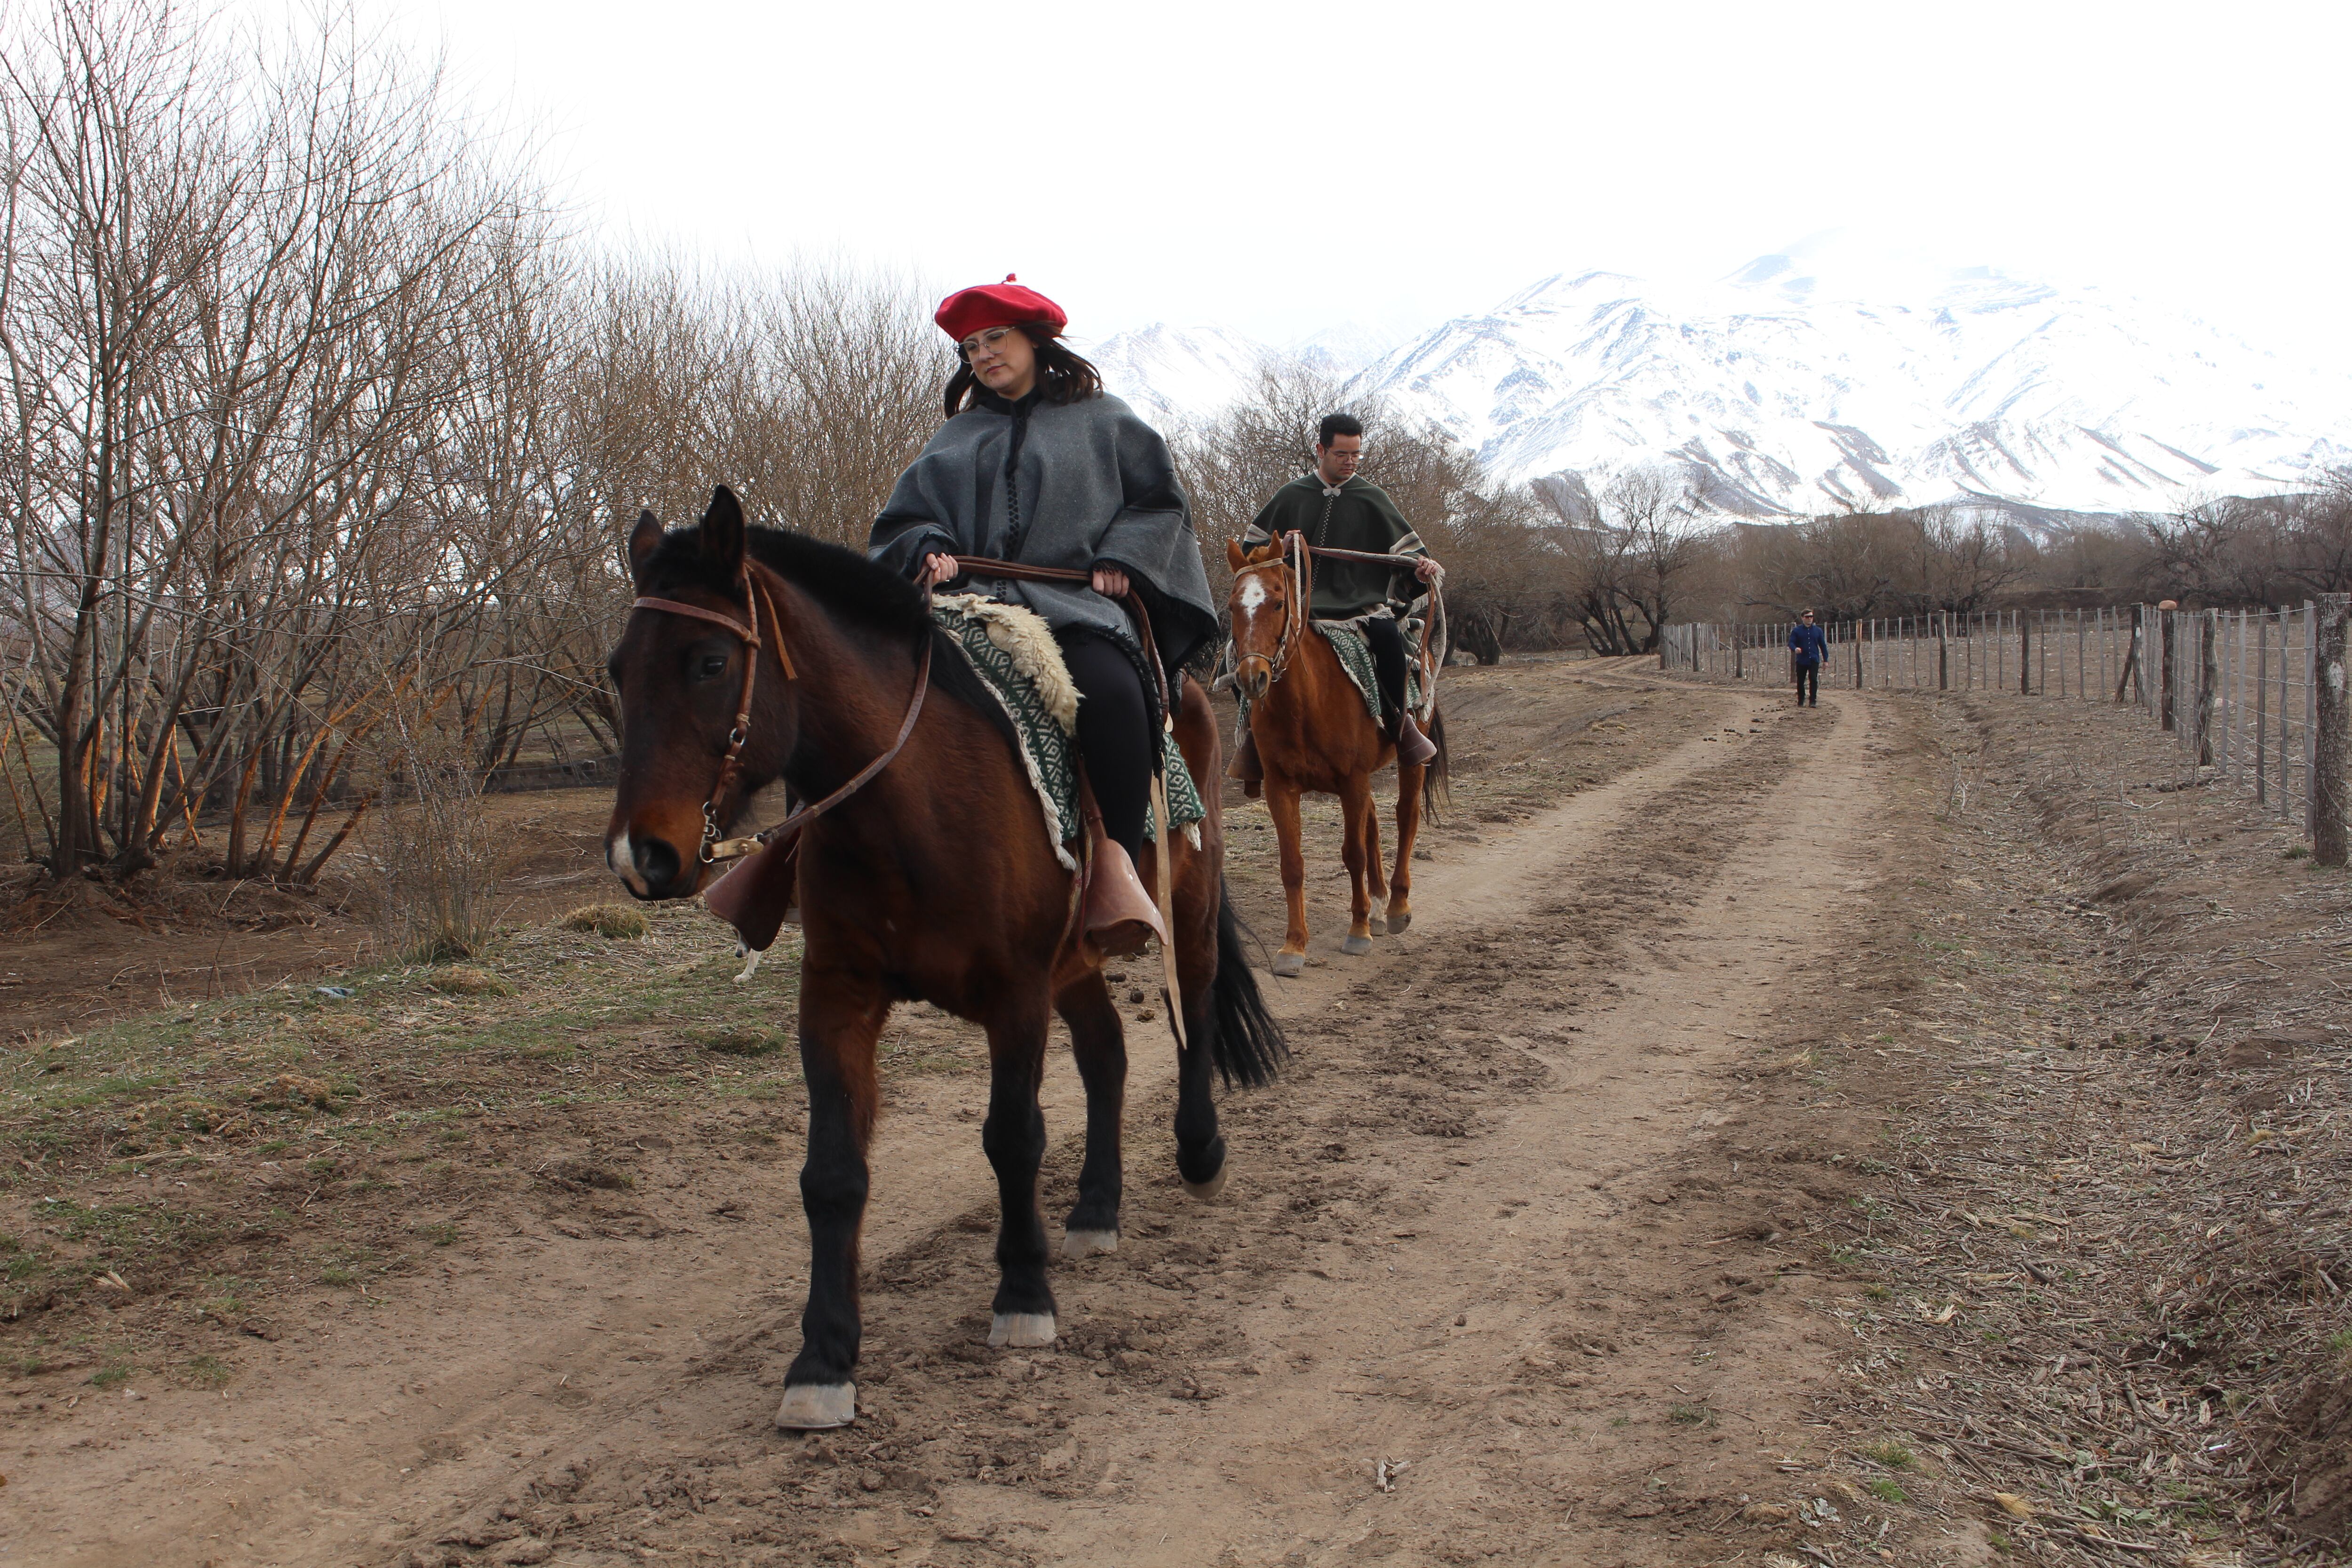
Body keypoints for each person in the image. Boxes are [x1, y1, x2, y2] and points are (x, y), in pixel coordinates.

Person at [869, 276, 1217, 954]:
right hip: (970, 605)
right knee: (861, 682)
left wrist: (1124, 557)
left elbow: (1161, 507)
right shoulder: (957, 436)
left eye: (995, 338)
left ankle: (1115, 872)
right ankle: (809, 860)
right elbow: (904, 519)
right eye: (970, 347)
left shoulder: (1108, 422)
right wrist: (931, 546)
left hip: (1074, 605)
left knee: (1113, 697)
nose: (983, 354)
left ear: (1035, 339)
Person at [1232, 414, 1442, 774]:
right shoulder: (1291, 495)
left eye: (1356, 455)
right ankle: (1254, 734)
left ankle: (1399, 724)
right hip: (1299, 606)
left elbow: (1408, 557)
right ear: (1321, 450)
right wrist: (1280, 550)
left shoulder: (1372, 497)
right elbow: (1251, 556)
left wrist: (1422, 570)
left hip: (1360, 605)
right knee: (1240, 650)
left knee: (1389, 639)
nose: (1350, 462)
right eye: (1341, 454)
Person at [1788, 608, 1828, 707]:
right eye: (1807, 617)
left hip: (1814, 659)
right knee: (1801, 681)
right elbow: (1791, 643)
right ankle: (1801, 700)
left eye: (1811, 617)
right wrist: (1795, 648)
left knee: (1813, 680)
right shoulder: (1797, 631)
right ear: (1803, 618)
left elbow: (1823, 645)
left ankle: (1813, 701)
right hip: (1802, 660)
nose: (1810, 619)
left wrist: (1825, 660)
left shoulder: (1818, 631)